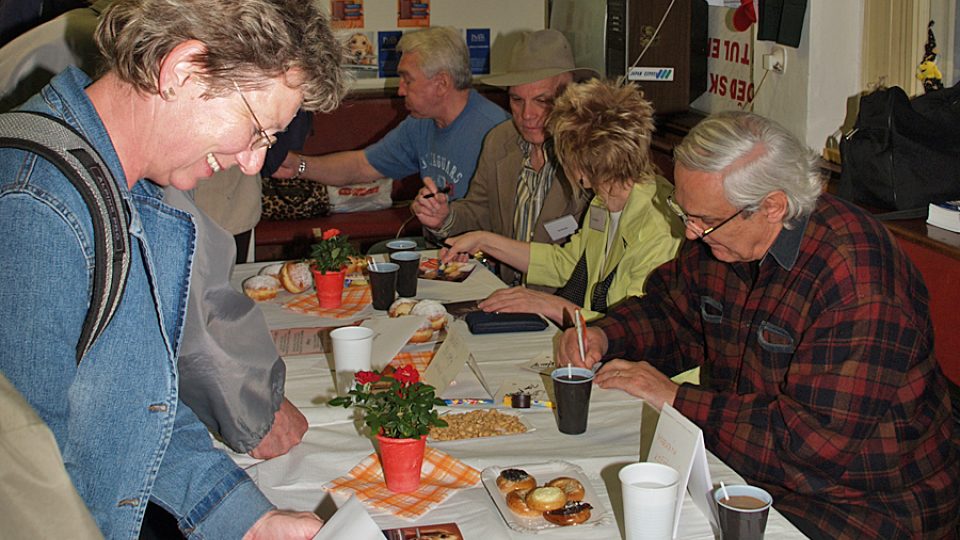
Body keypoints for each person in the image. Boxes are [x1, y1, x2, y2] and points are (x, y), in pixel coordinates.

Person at [0, 0, 346, 537]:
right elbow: (21, 492)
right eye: (257, 130)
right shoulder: (35, 206)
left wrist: (251, 521)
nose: (253, 163)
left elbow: (130, 406)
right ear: (182, 71)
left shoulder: (125, 186)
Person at [558, 111, 959, 538]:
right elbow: (673, 315)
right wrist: (605, 334)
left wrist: (675, 398)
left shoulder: (857, 276)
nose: (691, 234)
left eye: (705, 221)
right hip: (753, 472)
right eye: (683, 212)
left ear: (772, 206)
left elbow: (812, 449)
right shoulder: (725, 240)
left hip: (867, 504)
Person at [441, 78, 683, 324]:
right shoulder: (606, 199)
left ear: (578, 165)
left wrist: (551, 305)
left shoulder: (658, 229)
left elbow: (636, 328)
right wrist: (485, 241)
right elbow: (568, 263)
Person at [412, 29, 595, 288]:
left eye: (542, 101)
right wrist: (444, 217)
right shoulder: (499, 140)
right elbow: (479, 210)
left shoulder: (592, 151)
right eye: (517, 100)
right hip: (506, 291)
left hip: (568, 302)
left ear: (571, 97)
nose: (527, 114)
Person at [273, 26, 508, 200]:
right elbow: (362, 166)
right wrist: (298, 166)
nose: (400, 90)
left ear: (442, 83)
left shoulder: (494, 131)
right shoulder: (420, 123)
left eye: (408, 79)